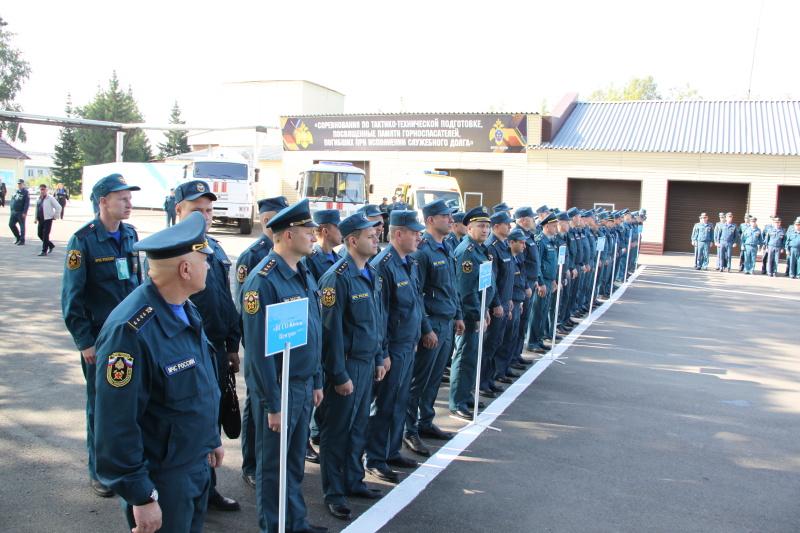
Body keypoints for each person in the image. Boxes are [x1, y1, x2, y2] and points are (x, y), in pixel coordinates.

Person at [94, 212, 223, 533]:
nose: (209, 265)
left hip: (194, 463)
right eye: (203, 259)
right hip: (164, 479)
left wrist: (210, 439)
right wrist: (141, 496)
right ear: (185, 268)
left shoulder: (183, 307)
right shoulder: (131, 331)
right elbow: (115, 424)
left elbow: (200, 385)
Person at [240, 199, 328, 533]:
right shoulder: (263, 281)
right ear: (288, 235)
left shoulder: (303, 272)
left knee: (293, 464)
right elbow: (259, 354)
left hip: (304, 384)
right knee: (273, 466)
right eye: (308, 232)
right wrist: (272, 403)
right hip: (280, 387)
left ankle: (295, 522)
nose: (314, 237)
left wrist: (317, 379)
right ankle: (274, 526)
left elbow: (313, 331)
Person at [61, 173, 142, 497]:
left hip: (133, 337)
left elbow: (138, 285)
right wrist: (85, 342)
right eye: (122, 198)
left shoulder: (132, 234)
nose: (128, 203)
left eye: (129, 197)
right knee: (101, 406)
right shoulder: (83, 241)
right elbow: (72, 299)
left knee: (133, 403)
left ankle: (130, 465)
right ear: (103, 201)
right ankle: (101, 471)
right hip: (102, 340)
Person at [172, 180, 241, 511]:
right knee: (188, 423)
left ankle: (208, 489)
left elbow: (225, 302)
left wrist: (231, 345)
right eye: (198, 210)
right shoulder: (170, 250)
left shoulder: (214, 246)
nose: (206, 216)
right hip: (186, 354)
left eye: (210, 210)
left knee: (211, 421)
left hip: (214, 350)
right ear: (179, 211)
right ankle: (188, 494)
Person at [318, 213, 385, 521]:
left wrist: (377, 357)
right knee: (337, 432)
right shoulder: (337, 278)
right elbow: (329, 334)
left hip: (365, 363)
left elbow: (374, 322)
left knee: (358, 428)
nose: (376, 239)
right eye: (370, 236)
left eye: (376, 235)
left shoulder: (370, 273)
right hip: (345, 368)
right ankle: (334, 492)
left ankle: (353, 480)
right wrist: (339, 374)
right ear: (353, 240)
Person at [365, 210, 426, 483]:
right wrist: (384, 353)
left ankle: (391, 451)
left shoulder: (408, 262)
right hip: (393, 349)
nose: (419, 237)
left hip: (407, 345)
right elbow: (381, 315)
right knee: (385, 404)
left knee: (399, 402)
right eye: (414, 232)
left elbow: (414, 302)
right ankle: (375, 458)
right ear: (398, 234)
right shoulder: (384, 265)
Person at [233, 196, 289, 487]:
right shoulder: (253, 256)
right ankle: (251, 463)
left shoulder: (285, 253)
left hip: (283, 341)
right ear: (268, 220)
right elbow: (245, 307)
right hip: (260, 340)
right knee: (256, 404)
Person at [403, 200, 463, 459]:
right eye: (445, 216)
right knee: (419, 380)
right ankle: (409, 429)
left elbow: (452, 286)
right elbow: (417, 295)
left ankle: (425, 421)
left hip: (447, 322)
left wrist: (458, 315)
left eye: (451, 217)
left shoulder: (446, 246)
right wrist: (426, 329)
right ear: (430, 220)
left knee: (434, 378)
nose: (451, 221)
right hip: (432, 324)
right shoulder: (422, 251)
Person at [449, 206, 495, 419]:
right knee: (465, 356)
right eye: (481, 226)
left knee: (472, 357)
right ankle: (457, 402)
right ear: (469, 228)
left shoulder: (479, 248)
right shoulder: (467, 252)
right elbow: (466, 290)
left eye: (487, 226)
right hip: (469, 315)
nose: (485, 230)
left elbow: (483, 286)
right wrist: (477, 314)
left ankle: (466, 395)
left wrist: (484, 310)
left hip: (478, 311)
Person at [525, 212, 559, 354]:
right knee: (537, 312)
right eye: (554, 225)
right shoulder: (540, 241)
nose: (556, 228)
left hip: (549, 280)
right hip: (543, 281)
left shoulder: (550, 241)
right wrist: (540, 282)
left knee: (543, 311)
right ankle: (532, 342)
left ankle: (538, 339)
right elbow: (537, 264)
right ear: (546, 226)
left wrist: (555, 280)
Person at [34, 184, 62, 256]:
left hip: (48, 219)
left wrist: (55, 215)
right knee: (39, 234)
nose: (42, 191)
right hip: (40, 219)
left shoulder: (50, 198)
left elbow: (58, 207)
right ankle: (50, 244)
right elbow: (37, 209)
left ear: (46, 190)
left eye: (43, 190)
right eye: (41, 190)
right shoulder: (38, 199)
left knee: (45, 235)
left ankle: (44, 251)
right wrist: (35, 218)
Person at [9, 179, 30, 245]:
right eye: (18, 184)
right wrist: (11, 210)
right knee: (11, 224)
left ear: (23, 184)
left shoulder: (25, 192)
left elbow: (27, 203)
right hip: (14, 211)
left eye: (21, 184)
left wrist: (25, 212)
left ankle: (22, 240)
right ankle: (17, 237)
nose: (19, 185)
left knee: (22, 227)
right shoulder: (15, 191)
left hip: (21, 212)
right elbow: (12, 201)